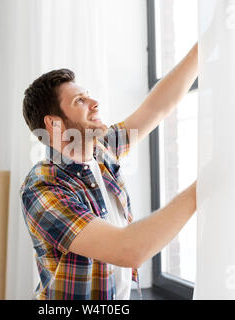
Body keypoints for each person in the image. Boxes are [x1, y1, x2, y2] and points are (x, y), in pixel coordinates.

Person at [20, 43, 199, 300]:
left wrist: (201, 50)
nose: (95, 103)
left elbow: (157, 108)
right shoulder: (42, 188)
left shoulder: (101, 150)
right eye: (79, 100)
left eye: (88, 95)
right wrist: (203, 186)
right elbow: (129, 249)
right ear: (54, 123)